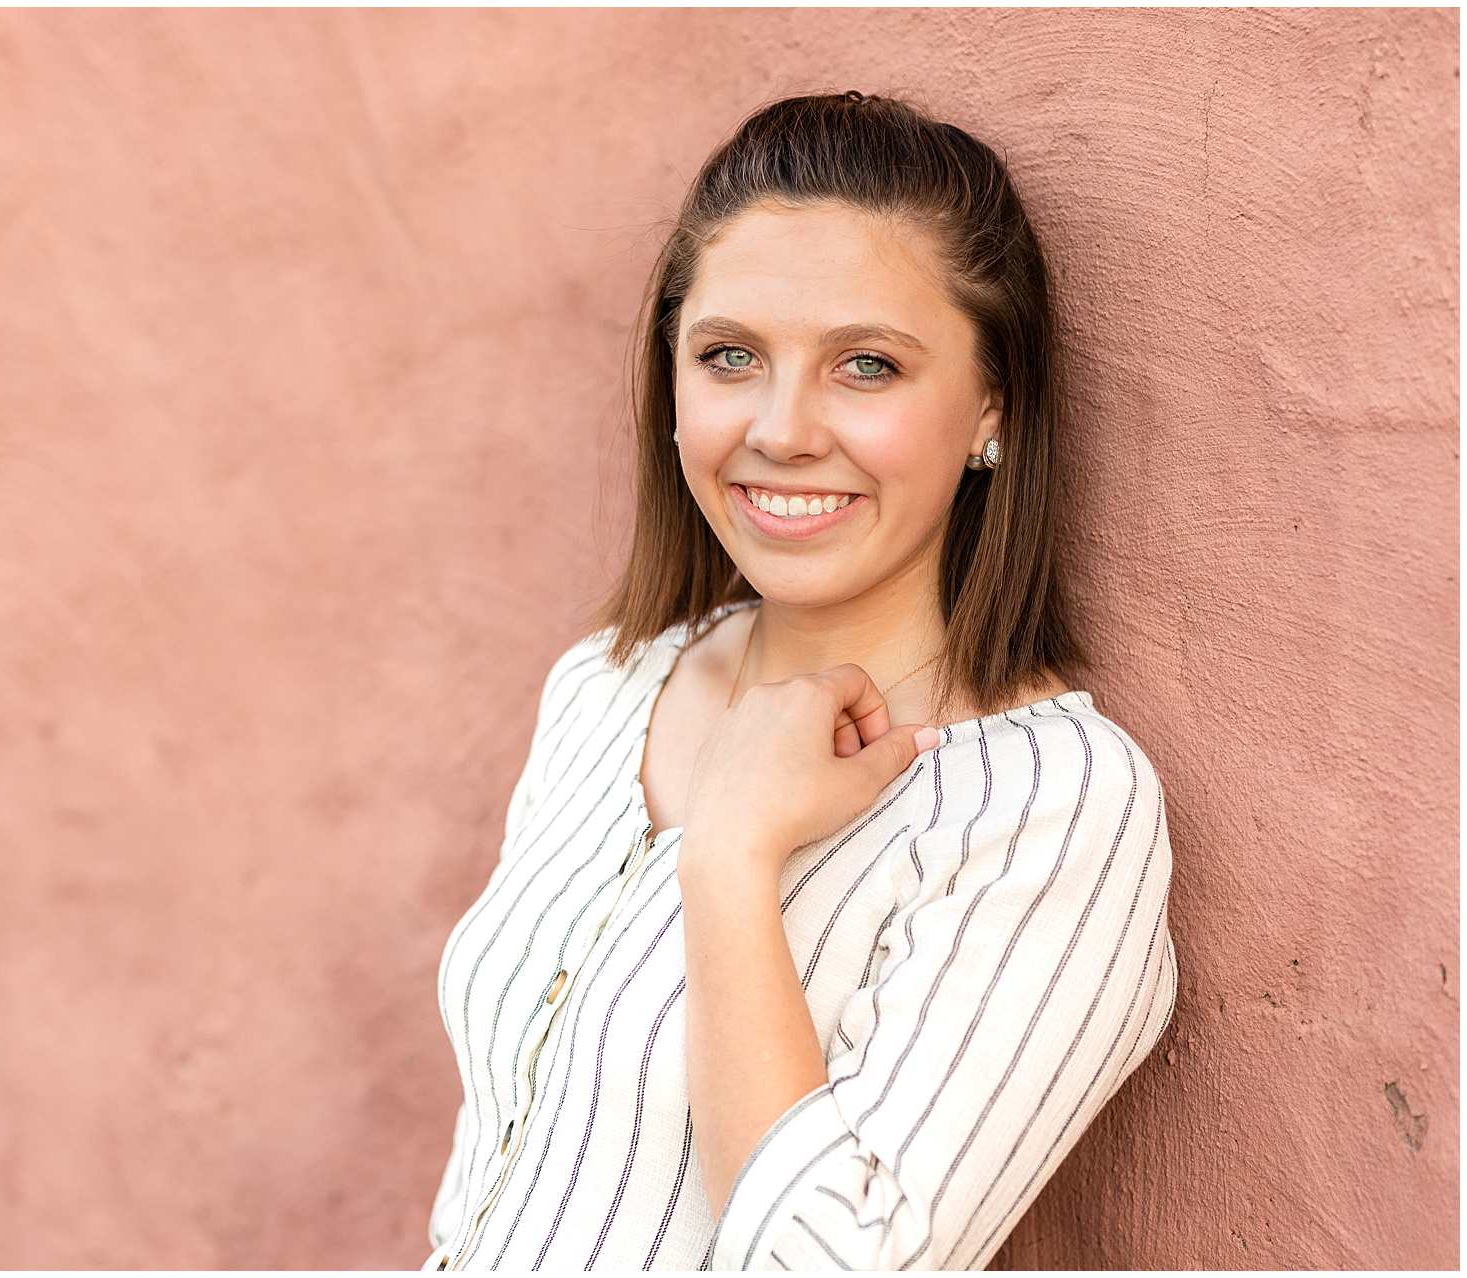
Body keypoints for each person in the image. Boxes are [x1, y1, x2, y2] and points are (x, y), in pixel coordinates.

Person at [421, 90, 1178, 1272]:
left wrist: (729, 857)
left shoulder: (1048, 806)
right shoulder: (608, 686)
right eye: (728, 356)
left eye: (864, 366)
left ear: (990, 407)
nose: (779, 430)